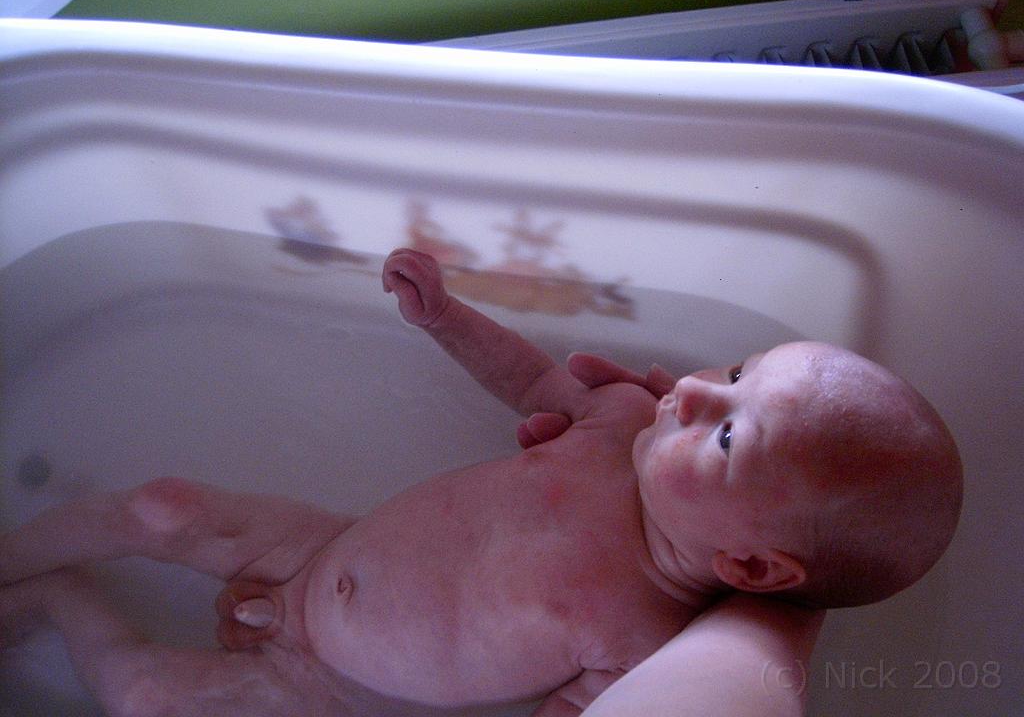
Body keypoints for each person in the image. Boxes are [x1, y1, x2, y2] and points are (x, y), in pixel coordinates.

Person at [0, 248, 962, 716]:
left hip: (325, 683)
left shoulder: (649, 644)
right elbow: (529, 380)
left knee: (145, 696)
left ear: (749, 565)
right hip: (315, 546)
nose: (698, 388)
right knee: (162, 503)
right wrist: (445, 317)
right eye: (741, 370)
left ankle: (57, 604)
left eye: (727, 436)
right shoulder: (621, 420)